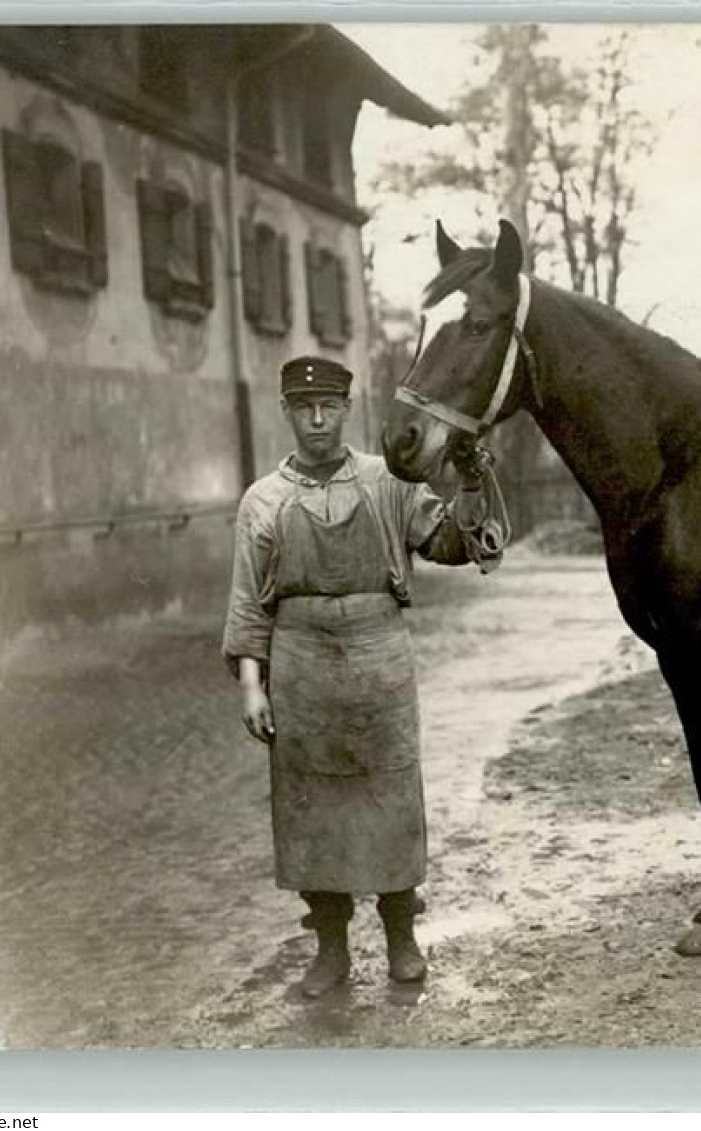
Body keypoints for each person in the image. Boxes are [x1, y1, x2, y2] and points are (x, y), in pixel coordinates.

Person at [221, 355, 503, 998]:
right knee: (310, 814)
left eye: (328, 408)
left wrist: (469, 488)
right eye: (303, 408)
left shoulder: (389, 483)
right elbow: (246, 602)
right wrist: (250, 683)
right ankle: (330, 951)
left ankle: (402, 941)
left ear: (347, 411)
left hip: (379, 658)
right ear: (287, 412)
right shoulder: (262, 500)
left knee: (391, 802)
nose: (317, 419)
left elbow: (452, 546)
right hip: (300, 665)